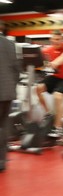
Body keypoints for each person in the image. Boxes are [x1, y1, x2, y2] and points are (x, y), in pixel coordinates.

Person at [36, 29, 63, 138]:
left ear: (62, 39)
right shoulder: (47, 50)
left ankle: (58, 128)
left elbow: (62, 59)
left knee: (57, 97)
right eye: (54, 39)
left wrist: (51, 64)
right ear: (50, 39)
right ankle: (48, 113)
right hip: (54, 77)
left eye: (58, 39)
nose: (56, 41)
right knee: (38, 88)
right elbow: (39, 62)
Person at [0, 20, 21, 171]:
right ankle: (1, 161)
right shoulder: (10, 44)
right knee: (3, 127)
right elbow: (16, 70)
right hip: (7, 92)